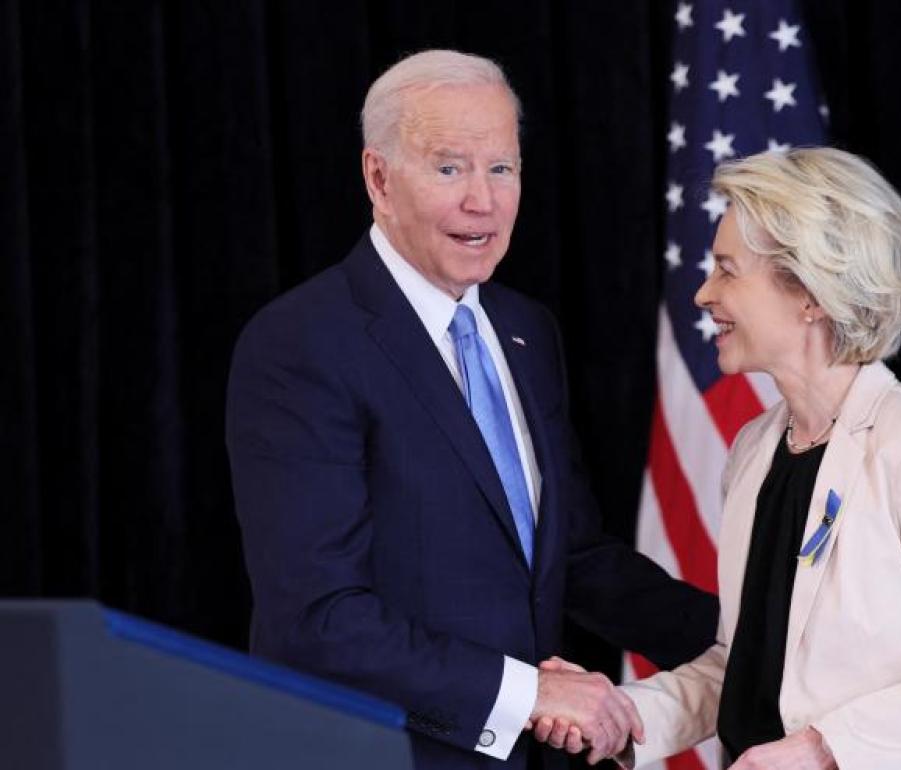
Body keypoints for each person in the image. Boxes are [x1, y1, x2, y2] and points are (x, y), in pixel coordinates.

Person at [225, 49, 716, 769]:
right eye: (450, 168)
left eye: (502, 168)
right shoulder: (302, 343)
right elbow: (317, 619)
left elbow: (569, 555)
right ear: (379, 179)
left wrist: (755, 640)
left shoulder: (525, 330)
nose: (482, 201)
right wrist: (527, 694)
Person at [538, 147, 901, 768]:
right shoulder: (755, 449)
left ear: (809, 294)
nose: (703, 294)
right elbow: (745, 664)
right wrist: (624, 715)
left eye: (727, 271)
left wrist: (823, 750)